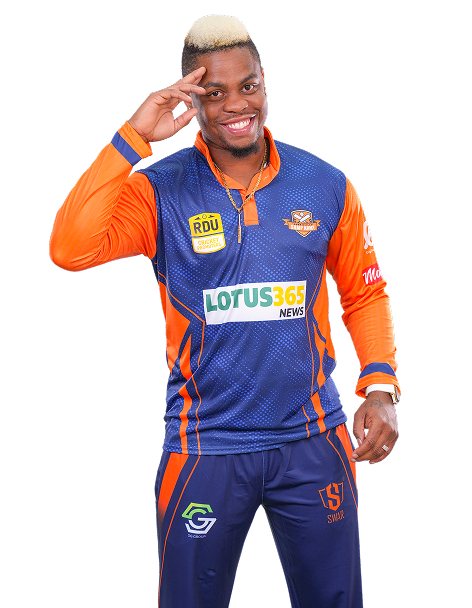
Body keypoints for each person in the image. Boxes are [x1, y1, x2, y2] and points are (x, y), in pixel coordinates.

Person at [50, 13, 400, 608]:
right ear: (190, 101)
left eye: (250, 85)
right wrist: (134, 137)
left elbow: (365, 293)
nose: (237, 104)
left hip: (313, 439)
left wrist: (381, 387)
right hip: (205, 446)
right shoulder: (159, 190)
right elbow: (70, 248)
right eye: (214, 92)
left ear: (265, 86)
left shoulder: (325, 184)